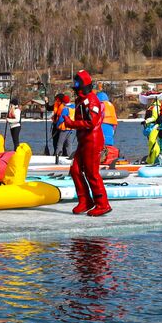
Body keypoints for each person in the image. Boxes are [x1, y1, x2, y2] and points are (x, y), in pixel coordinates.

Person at [64, 70, 110, 217]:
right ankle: (85, 201)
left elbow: (92, 122)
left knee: (91, 172)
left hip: (93, 141)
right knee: (75, 170)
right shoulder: (81, 100)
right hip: (83, 140)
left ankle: (102, 204)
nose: (75, 86)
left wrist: (71, 124)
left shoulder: (92, 100)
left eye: (77, 83)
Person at [142, 94, 162, 164]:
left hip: (154, 127)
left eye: (149, 99)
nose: (148, 100)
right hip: (150, 127)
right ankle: (152, 159)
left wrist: (146, 121)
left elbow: (155, 117)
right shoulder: (151, 106)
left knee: (152, 143)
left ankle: (153, 160)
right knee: (152, 143)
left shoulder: (155, 107)